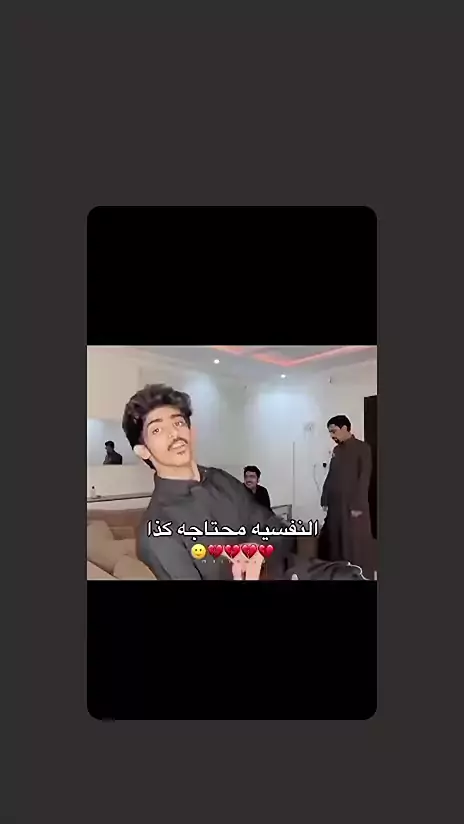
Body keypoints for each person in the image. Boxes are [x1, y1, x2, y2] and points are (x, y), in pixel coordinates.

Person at [121, 384, 367, 581]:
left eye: (178, 423)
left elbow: (275, 527)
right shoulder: (157, 532)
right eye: (157, 430)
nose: (174, 433)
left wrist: (257, 547)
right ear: (143, 450)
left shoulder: (220, 478)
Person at [319, 415, 375, 577]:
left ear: (345, 428)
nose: (332, 436)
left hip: (353, 507)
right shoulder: (337, 451)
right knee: (336, 543)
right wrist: (325, 497)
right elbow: (331, 475)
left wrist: (358, 506)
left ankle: (360, 577)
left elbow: (364, 478)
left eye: (334, 431)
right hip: (336, 506)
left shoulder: (363, 448)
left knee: (354, 545)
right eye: (330, 432)